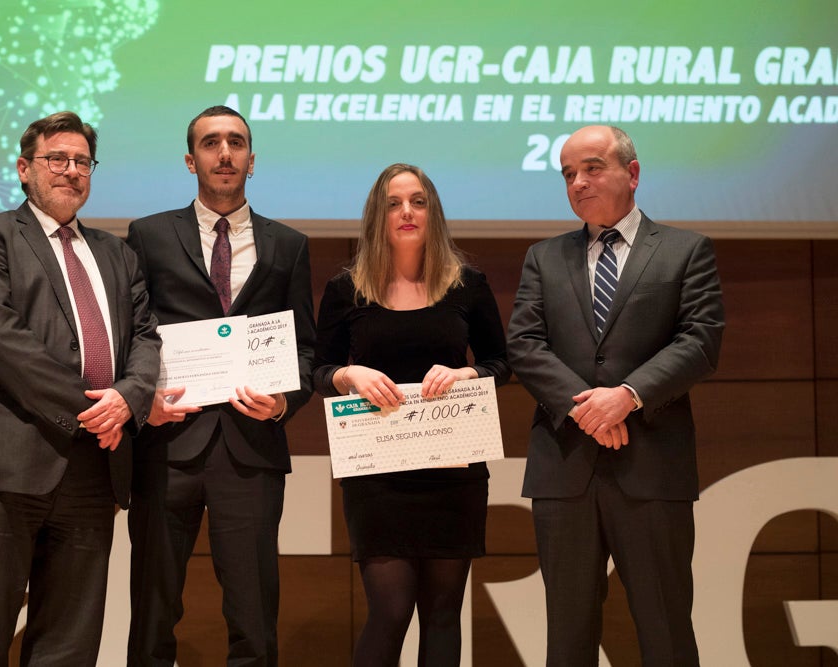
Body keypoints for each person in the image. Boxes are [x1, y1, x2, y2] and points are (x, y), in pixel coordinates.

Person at [0, 111, 161, 665]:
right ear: (24, 169)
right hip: (5, 467)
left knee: (69, 649)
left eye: (82, 161)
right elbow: (2, 340)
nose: (71, 171)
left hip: (94, 473)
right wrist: (92, 409)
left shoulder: (118, 253)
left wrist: (129, 400)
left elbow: (144, 339)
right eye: (56, 159)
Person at [507, 125, 725, 666]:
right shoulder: (544, 257)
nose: (578, 182)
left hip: (651, 468)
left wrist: (626, 396)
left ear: (631, 173)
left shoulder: (684, 250)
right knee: (568, 636)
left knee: (666, 629)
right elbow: (525, 345)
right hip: (566, 468)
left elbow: (700, 342)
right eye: (567, 174)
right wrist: (591, 407)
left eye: (592, 167)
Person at [124, 105, 315, 666]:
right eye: (211, 143)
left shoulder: (289, 245)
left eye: (236, 143)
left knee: (254, 617)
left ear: (252, 161)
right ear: (191, 160)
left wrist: (284, 401)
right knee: (153, 610)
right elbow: (130, 333)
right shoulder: (148, 235)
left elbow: (305, 347)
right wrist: (142, 400)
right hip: (166, 443)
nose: (225, 152)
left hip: (250, 449)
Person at [312, 163, 510, 666]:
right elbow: (319, 370)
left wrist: (469, 375)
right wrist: (348, 377)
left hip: (453, 472)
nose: (406, 212)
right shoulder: (347, 289)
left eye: (418, 201)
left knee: (444, 613)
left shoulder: (467, 283)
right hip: (378, 475)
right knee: (391, 609)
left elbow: (501, 363)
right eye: (394, 202)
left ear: (433, 212)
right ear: (377, 215)